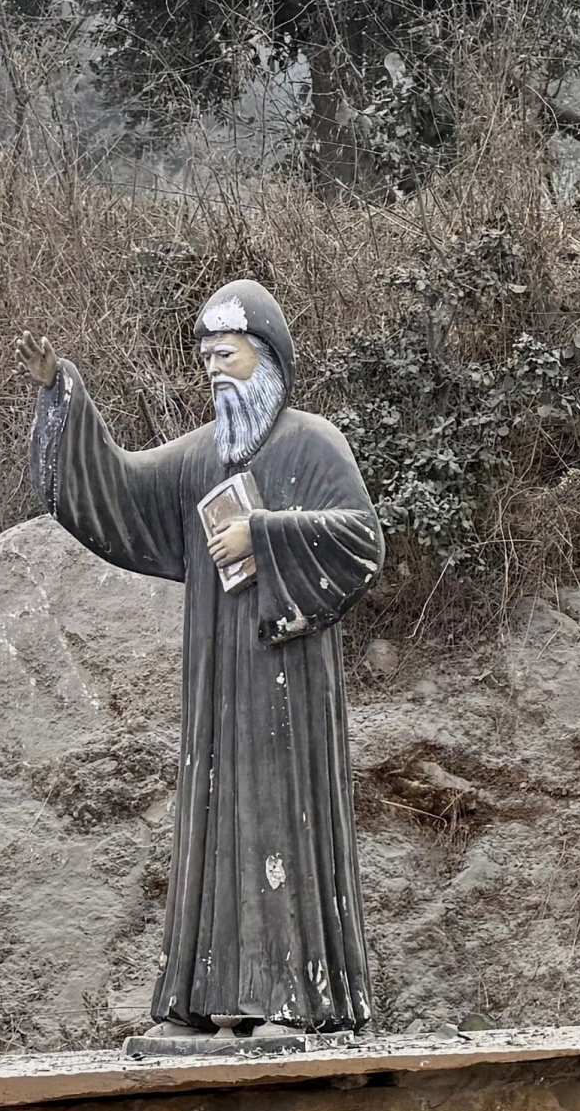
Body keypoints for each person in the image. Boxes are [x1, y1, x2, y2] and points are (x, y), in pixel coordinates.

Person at [30, 279, 386, 1044]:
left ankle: (293, 999)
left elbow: (361, 539)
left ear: (269, 359)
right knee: (211, 824)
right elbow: (118, 491)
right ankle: (201, 1003)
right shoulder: (200, 456)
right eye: (205, 358)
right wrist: (64, 400)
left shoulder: (313, 443)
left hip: (287, 682)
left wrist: (262, 534)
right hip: (215, 686)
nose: (215, 370)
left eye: (227, 354)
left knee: (279, 822)